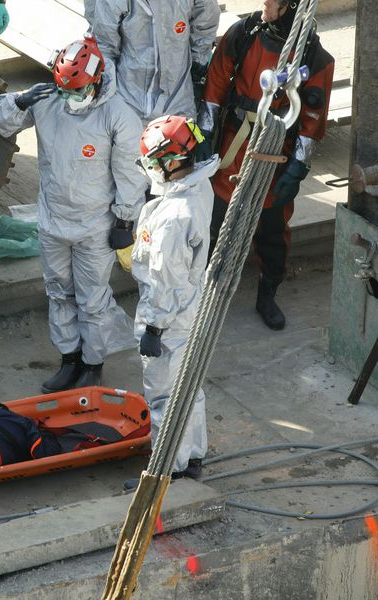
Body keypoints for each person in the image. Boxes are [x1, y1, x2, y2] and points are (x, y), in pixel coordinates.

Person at [0, 36, 147, 393]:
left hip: (95, 226)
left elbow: (130, 174)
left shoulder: (117, 116)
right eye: (65, 90)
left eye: (76, 91)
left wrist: (125, 220)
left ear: (95, 82)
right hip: (53, 221)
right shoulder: (49, 100)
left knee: (92, 299)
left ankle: (93, 364)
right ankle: (69, 360)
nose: (70, 99)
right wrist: (17, 101)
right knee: (59, 292)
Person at [197, 0, 334, 330]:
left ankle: (267, 292)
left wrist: (299, 167)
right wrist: (205, 129)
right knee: (214, 220)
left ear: (289, 5)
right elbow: (216, 80)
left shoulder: (314, 58)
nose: (263, 2)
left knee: (272, 230)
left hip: (275, 153)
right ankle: (200, 290)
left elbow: (313, 116)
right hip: (234, 146)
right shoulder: (244, 34)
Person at [123, 115, 219, 492]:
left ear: (170, 161)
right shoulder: (198, 188)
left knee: (165, 395)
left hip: (169, 317)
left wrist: (154, 328)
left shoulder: (172, 220)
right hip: (190, 308)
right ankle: (193, 454)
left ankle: (168, 470)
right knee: (190, 387)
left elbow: (166, 279)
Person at [89, 0, 220, 124]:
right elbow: (104, 45)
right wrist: (103, 93)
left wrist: (196, 68)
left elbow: (206, 24)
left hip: (179, 105)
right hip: (129, 105)